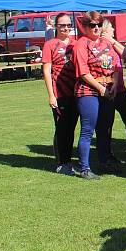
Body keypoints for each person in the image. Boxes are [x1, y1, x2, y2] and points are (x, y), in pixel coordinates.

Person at [72, 11, 121, 179]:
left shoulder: (106, 43)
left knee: (104, 129)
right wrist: (101, 89)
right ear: (85, 27)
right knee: (88, 130)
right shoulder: (81, 44)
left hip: (107, 89)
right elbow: (83, 72)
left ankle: (104, 162)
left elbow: (116, 65)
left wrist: (114, 84)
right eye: (92, 25)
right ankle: (84, 168)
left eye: (99, 25)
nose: (96, 28)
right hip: (88, 91)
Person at [41, 12, 78, 176]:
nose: (66, 28)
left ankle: (68, 160)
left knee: (71, 128)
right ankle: (62, 162)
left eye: (68, 25)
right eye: (62, 25)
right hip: (59, 93)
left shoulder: (75, 44)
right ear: (56, 26)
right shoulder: (50, 44)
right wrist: (51, 95)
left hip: (76, 93)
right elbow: (46, 71)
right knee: (62, 128)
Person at [101, 18, 126, 155]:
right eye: (111, 27)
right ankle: (107, 152)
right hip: (108, 90)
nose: (114, 30)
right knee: (107, 122)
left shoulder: (113, 44)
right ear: (104, 29)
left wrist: (113, 41)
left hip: (121, 89)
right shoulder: (101, 45)